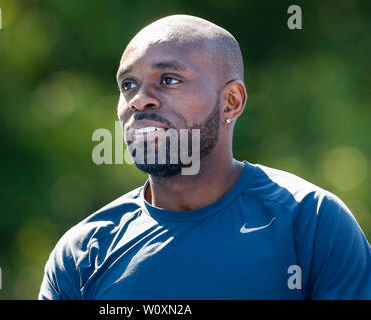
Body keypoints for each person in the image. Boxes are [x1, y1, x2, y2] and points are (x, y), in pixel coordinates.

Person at [38, 14, 370, 300]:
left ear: (231, 101)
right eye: (128, 85)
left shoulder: (311, 222)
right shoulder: (83, 253)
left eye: (168, 80)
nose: (139, 100)